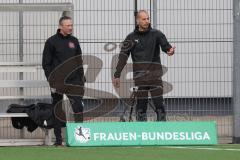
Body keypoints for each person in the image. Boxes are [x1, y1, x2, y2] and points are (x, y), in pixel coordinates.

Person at [113, 10, 175, 121]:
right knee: (141, 107)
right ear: (138, 21)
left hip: (155, 77)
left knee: (159, 105)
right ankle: (142, 133)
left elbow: (166, 47)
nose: (147, 21)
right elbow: (123, 57)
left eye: (148, 18)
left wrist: (170, 51)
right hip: (140, 77)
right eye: (144, 19)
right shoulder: (130, 38)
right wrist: (117, 74)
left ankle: (162, 131)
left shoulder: (157, 34)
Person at [42, 16, 85, 146]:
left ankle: (79, 138)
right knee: (58, 110)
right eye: (68, 25)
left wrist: (81, 79)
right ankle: (59, 140)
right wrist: (52, 82)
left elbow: (79, 61)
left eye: (71, 25)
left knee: (78, 107)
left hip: (74, 82)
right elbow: (46, 64)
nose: (70, 27)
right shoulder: (51, 42)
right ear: (60, 26)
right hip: (58, 83)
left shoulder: (74, 41)